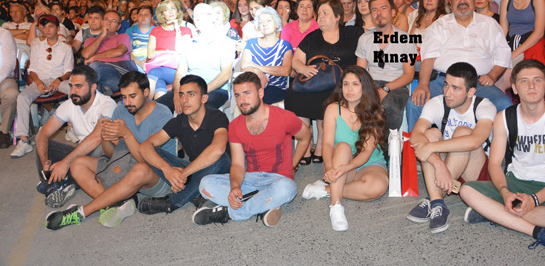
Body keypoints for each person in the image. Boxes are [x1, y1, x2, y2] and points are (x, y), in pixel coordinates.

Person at [460, 59, 545, 256]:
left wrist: (536, 199)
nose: (531, 86)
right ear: (514, 88)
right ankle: (538, 231)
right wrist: (505, 192)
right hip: (515, 183)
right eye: (524, 81)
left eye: (537, 80)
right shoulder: (504, 118)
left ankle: (496, 214)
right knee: (467, 191)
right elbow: (496, 164)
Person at [44, 71, 175, 230]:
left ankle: (81, 212)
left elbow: (147, 161)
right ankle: (119, 202)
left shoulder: (162, 115)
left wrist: (126, 134)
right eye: (124, 97)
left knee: (140, 169)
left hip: (158, 175)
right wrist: (106, 136)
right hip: (126, 164)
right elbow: (111, 153)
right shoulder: (121, 110)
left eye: (132, 96)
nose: (127, 103)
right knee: (78, 164)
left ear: (146, 92)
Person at [195, 72, 311, 227]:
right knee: (205, 184)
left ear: (260, 93)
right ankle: (262, 204)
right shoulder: (235, 126)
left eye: (247, 93)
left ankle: (231, 212)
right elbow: (237, 164)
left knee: (288, 188)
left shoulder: (284, 117)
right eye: (237, 95)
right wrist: (235, 187)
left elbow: (305, 137)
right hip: (250, 180)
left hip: (278, 180)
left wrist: (293, 166)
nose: (242, 100)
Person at [406, 0, 512, 131]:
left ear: (474, 0)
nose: (462, 1)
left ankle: (501, 152)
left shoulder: (490, 24)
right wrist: (423, 85)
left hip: (478, 83)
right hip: (443, 82)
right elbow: (428, 58)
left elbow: (503, 56)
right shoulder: (440, 25)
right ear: (450, 2)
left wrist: (492, 76)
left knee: (504, 103)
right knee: (416, 103)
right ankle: (415, 150)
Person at [406, 62, 496, 234]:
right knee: (430, 134)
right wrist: (438, 163)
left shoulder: (484, 106)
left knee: (462, 133)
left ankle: (433, 199)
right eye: (446, 85)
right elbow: (416, 135)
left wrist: (431, 149)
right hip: (446, 172)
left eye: (456, 88)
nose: (447, 93)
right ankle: (437, 202)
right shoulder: (437, 103)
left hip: (476, 175)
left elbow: (475, 141)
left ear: (470, 92)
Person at [302, 66, 388, 231]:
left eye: (355, 84)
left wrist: (346, 168)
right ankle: (336, 206)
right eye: (346, 84)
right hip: (341, 161)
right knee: (342, 147)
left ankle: (326, 190)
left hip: (369, 164)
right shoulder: (333, 109)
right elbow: (326, 144)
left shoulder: (375, 112)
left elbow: (366, 152)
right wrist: (329, 167)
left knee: (379, 187)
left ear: (365, 87)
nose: (349, 89)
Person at [136, 75, 231, 215]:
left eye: (191, 94)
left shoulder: (217, 117)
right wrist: (167, 170)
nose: (184, 100)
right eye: (182, 95)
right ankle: (196, 194)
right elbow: (145, 146)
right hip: (195, 171)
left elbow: (218, 150)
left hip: (220, 172)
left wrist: (183, 174)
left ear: (204, 98)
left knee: (220, 157)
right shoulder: (179, 121)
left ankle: (173, 202)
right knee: (151, 151)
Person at [285, 0, 363, 165]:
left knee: (328, 98)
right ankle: (305, 145)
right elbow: (296, 60)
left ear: (337, 16)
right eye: (319, 14)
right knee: (295, 95)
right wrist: (304, 69)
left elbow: (362, 59)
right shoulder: (312, 37)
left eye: (325, 13)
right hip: (314, 81)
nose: (320, 17)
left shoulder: (352, 34)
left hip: (341, 84)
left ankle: (321, 144)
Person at [36, 66, 118, 208]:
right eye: (71, 86)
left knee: (98, 145)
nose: (72, 91)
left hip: (103, 157)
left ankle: (66, 181)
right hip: (81, 153)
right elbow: (44, 133)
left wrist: (66, 162)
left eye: (78, 86)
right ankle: (53, 187)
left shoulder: (107, 104)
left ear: (93, 87)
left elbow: (97, 138)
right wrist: (45, 163)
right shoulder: (69, 105)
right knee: (41, 139)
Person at [10, 15, 73, 158]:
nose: (47, 29)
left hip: (59, 79)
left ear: (58, 28)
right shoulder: (37, 46)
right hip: (41, 79)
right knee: (22, 97)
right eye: (44, 27)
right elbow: (32, 70)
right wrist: (37, 82)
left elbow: (68, 71)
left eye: (51, 26)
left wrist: (58, 80)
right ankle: (24, 140)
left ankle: (71, 128)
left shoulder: (65, 48)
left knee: (72, 90)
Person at [158, 4, 235, 112]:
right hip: (188, 89)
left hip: (215, 90)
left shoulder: (225, 42)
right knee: (156, 108)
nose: (199, 18)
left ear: (212, 17)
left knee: (199, 107)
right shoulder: (189, 43)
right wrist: (177, 94)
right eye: (196, 15)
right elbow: (180, 73)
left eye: (204, 14)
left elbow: (225, 74)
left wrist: (200, 91)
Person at [356, 0, 416, 131]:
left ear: (393, 12)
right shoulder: (365, 39)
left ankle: (387, 146)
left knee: (389, 105)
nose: (379, 13)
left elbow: (408, 75)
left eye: (383, 8)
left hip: (396, 85)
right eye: (374, 10)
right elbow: (361, 72)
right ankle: (363, 144)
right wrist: (369, 90)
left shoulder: (405, 39)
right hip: (371, 83)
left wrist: (386, 89)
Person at [241, 7, 292, 105]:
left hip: (276, 87)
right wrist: (257, 71)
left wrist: (258, 67)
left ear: (277, 24)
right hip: (253, 86)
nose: (264, 24)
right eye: (261, 22)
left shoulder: (285, 45)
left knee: (260, 98)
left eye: (268, 20)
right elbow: (244, 67)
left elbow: (285, 71)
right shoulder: (251, 43)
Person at [81, 10, 137, 95]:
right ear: (102, 22)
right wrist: (102, 35)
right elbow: (86, 54)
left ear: (118, 27)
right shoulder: (91, 41)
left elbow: (120, 51)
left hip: (118, 76)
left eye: (113, 21)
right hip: (97, 77)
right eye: (106, 19)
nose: (109, 23)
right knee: (96, 85)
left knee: (94, 67)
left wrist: (95, 57)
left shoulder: (123, 36)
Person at [145, 0, 193, 99]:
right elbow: (150, 54)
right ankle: (161, 111)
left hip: (179, 71)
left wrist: (177, 30)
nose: (170, 12)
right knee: (159, 85)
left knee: (154, 73)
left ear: (177, 11)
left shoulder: (186, 31)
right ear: (162, 14)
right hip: (160, 70)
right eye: (166, 10)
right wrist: (170, 52)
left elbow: (182, 52)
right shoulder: (156, 30)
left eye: (173, 8)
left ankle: (145, 107)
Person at [0, 26, 18, 149]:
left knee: (11, 94)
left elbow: (8, 64)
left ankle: (4, 131)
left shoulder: (4, 34)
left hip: (3, 77)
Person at [126, 5, 154, 72]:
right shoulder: (130, 31)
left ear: (152, 17)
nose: (143, 17)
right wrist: (140, 63)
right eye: (140, 14)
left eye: (146, 14)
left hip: (152, 63)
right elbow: (128, 51)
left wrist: (148, 61)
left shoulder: (157, 30)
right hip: (134, 63)